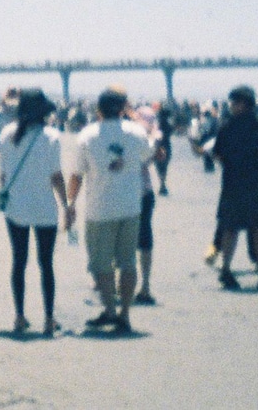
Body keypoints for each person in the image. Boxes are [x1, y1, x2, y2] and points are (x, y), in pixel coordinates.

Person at [62, 86, 151, 334]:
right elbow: (147, 156)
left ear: (98, 110)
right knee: (128, 262)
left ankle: (110, 310)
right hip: (131, 206)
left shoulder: (88, 135)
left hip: (100, 209)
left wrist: (70, 204)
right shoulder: (137, 132)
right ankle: (124, 313)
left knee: (101, 264)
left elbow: (77, 175)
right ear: (123, 108)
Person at [196, 85, 258, 292]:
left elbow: (217, 155)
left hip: (233, 184)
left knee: (231, 228)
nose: (231, 106)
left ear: (243, 103)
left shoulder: (227, 126)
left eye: (234, 102)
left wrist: (228, 162)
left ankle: (226, 271)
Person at [0, 89, 66, 337]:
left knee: (19, 261)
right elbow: (56, 176)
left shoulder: (7, 134)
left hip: (16, 206)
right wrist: (66, 205)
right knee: (46, 263)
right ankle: (48, 318)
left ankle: (19, 316)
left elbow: (4, 174)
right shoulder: (51, 136)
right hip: (45, 207)